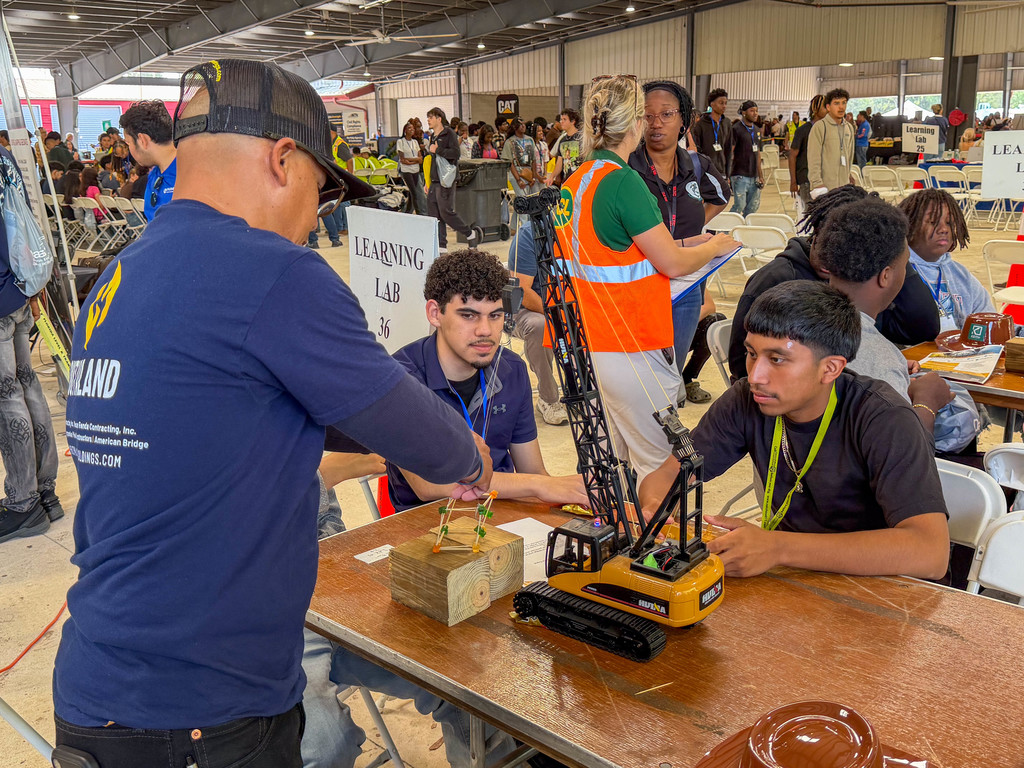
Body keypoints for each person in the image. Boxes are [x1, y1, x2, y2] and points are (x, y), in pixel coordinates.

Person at [52, 58, 494, 768]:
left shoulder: (118, 277)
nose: (314, 222)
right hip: (206, 715)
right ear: (284, 160)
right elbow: (442, 452)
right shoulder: (274, 273)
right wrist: (471, 458)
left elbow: (222, 411)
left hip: (98, 693)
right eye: (322, 197)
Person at [640, 281, 951, 580]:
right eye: (751, 354)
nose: (756, 376)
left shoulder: (884, 418)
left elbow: (930, 552)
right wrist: (656, 505)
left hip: (877, 585)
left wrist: (778, 547)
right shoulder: (746, 400)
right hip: (792, 575)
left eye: (777, 359)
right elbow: (670, 474)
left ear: (831, 368)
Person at [555, 74, 737, 483]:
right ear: (636, 123)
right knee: (662, 470)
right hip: (630, 342)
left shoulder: (578, 180)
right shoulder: (624, 181)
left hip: (592, 341)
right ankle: (656, 544)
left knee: (619, 462)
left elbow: (615, 249)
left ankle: (625, 536)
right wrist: (712, 247)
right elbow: (672, 263)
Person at [387, 248, 587, 511]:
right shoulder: (401, 379)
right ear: (435, 313)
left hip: (502, 511)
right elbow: (429, 486)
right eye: (468, 315)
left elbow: (534, 470)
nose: (485, 331)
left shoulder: (512, 370)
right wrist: (538, 485)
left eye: (495, 315)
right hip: (427, 522)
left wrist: (569, 496)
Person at [818, 195, 980, 455]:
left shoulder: (805, 324)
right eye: (906, 266)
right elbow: (907, 458)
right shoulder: (879, 358)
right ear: (886, 276)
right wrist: (927, 401)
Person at [727, 185, 940, 381]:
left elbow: (923, 326)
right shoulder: (777, 281)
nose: (829, 252)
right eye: (825, 238)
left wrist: (896, 257)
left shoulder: (862, 282)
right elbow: (742, 365)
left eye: (848, 246)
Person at [627, 80, 730, 407]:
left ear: (684, 120)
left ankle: (666, 423)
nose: (656, 123)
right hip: (640, 284)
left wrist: (695, 228)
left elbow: (721, 196)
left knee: (669, 367)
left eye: (666, 114)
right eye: (647, 115)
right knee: (638, 373)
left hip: (686, 286)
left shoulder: (696, 166)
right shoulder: (627, 168)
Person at [0, 143, 62, 545]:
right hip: (19, 288)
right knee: (27, 386)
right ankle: (44, 492)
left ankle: (22, 504)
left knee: (7, 396)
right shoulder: (4, 156)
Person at [900, 188, 991, 331]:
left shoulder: (962, 276)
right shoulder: (895, 274)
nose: (943, 229)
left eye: (949, 222)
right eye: (932, 222)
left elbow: (989, 321)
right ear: (909, 225)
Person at [506, 219, 567, 425]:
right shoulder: (529, 234)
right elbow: (523, 292)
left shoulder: (583, 226)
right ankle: (548, 398)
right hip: (526, 308)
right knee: (541, 326)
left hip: (566, 303)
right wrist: (560, 316)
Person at [426, 106, 478, 254]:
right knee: (434, 214)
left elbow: (455, 154)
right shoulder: (433, 136)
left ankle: (470, 233)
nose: (428, 120)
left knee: (446, 211)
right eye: (428, 118)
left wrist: (438, 150)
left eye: (431, 117)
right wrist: (427, 181)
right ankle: (442, 246)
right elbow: (432, 160)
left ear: (439, 119)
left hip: (446, 179)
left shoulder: (448, 133)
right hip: (435, 179)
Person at [119, 99, 176, 220]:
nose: (130, 150)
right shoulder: (155, 175)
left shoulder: (191, 174)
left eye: (128, 143)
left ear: (142, 140)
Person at [807, 88, 855, 198]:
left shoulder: (849, 128)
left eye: (844, 103)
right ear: (828, 107)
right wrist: (817, 183)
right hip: (825, 188)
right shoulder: (819, 127)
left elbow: (850, 156)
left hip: (844, 188)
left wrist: (849, 176)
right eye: (836, 103)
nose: (841, 107)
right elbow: (813, 158)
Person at [788, 95, 827, 212]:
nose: (828, 109)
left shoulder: (828, 130)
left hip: (825, 179)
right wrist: (793, 182)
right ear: (815, 109)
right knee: (811, 213)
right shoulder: (803, 130)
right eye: (824, 106)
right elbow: (792, 156)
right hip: (806, 180)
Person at [729, 100, 764, 217]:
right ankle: (727, 230)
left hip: (754, 175)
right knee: (739, 206)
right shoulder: (736, 129)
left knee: (752, 207)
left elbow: (758, 153)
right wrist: (728, 174)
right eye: (752, 111)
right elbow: (730, 153)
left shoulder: (757, 130)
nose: (755, 113)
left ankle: (744, 232)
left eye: (757, 111)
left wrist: (761, 175)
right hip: (739, 175)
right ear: (744, 112)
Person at [691, 88, 732, 177]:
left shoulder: (727, 123)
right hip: (706, 172)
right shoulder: (701, 125)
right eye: (721, 103)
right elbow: (697, 150)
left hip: (722, 172)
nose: (724, 106)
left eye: (725, 103)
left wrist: (728, 174)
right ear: (712, 104)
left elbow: (728, 149)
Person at [502, 117, 540, 196]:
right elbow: (510, 163)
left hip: (529, 170)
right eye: (520, 124)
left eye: (524, 124)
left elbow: (533, 160)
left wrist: (533, 176)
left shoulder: (530, 140)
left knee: (534, 197)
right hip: (517, 171)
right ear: (514, 127)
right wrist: (518, 180)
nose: (523, 126)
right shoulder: (509, 142)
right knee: (523, 198)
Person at [397, 121, 427, 215]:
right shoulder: (400, 141)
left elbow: (420, 160)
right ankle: (419, 213)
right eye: (409, 128)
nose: (412, 130)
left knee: (412, 193)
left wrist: (410, 160)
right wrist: (415, 160)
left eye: (413, 128)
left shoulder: (415, 142)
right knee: (414, 192)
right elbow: (402, 159)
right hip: (406, 171)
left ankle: (406, 212)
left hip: (416, 170)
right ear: (405, 130)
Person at [548, 108, 583, 185]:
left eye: (564, 119)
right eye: (561, 119)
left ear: (573, 121)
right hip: (566, 181)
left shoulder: (581, 138)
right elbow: (559, 163)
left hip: (580, 181)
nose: (561, 122)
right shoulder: (562, 140)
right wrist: (552, 176)